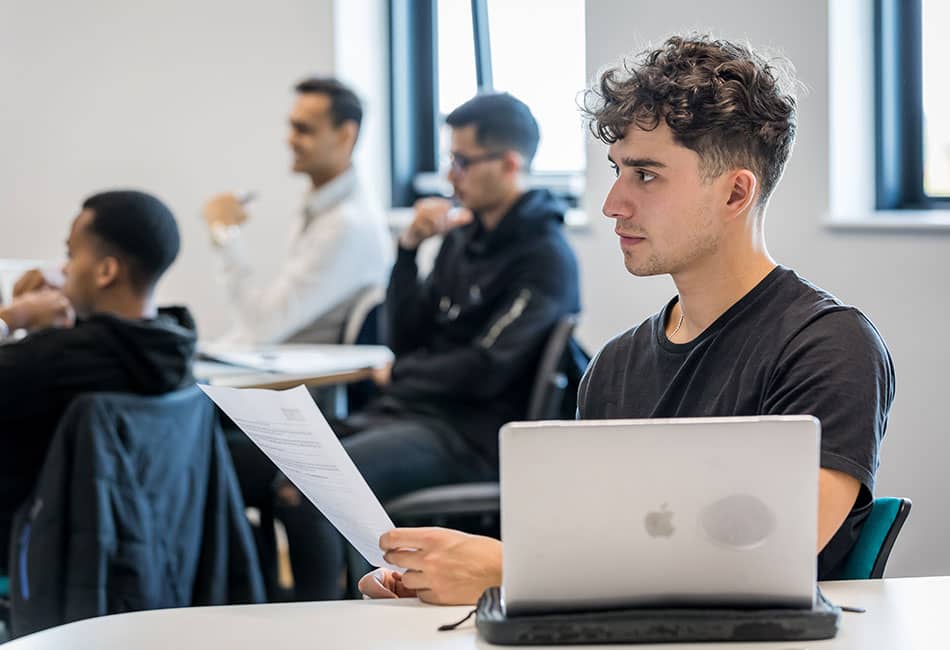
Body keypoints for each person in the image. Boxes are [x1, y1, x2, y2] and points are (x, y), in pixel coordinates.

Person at [359, 34, 895, 606]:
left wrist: (509, 569)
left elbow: (774, 549)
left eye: (645, 174)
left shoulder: (826, 345)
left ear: (736, 192)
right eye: (617, 170)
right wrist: (442, 574)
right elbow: (588, 547)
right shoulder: (614, 366)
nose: (612, 203)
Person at [276, 92, 581, 600]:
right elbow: (407, 340)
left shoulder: (546, 257)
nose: (450, 176)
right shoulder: (463, 240)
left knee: (313, 487)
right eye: (449, 160)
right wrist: (407, 253)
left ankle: (325, 624)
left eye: (462, 161)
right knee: (260, 459)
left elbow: (485, 368)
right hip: (411, 414)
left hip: (468, 434)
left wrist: (399, 377)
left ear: (509, 164)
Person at [0, 190, 196, 574]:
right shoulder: (175, 347)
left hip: (23, 551)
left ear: (106, 271)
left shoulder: (47, 361)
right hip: (130, 557)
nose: (64, 268)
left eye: (71, 256)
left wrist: (13, 317)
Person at [203, 77, 393, 345]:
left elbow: (261, 328)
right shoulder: (323, 206)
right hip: (275, 364)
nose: (289, 140)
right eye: (291, 127)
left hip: (296, 380)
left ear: (345, 135)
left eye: (304, 130)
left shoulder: (345, 225)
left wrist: (225, 233)